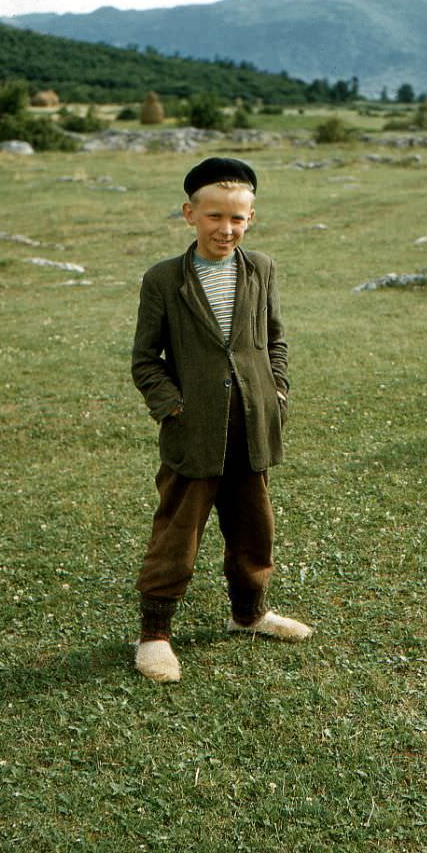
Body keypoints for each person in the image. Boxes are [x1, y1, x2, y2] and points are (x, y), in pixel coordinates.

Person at [131, 157, 311, 682]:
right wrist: (173, 406)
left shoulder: (262, 269)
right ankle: (154, 636)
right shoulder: (164, 279)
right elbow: (146, 360)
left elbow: (274, 340)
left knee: (254, 527)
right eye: (214, 216)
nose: (225, 229)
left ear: (251, 218)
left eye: (237, 218)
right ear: (190, 214)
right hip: (193, 431)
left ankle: (249, 615)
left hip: (253, 426)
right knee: (177, 533)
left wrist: (276, 393)